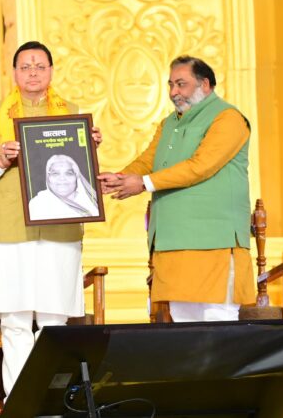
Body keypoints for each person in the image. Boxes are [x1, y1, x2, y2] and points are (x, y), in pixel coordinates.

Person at [0, 41, 101, 396]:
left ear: (51, 71)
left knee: (54, 322)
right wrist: (1, 160)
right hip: (13, 230)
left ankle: (49, 402)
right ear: (14, 73)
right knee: (15, 321)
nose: (33, 73)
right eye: (25, 67)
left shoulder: (72, 114)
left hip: (60, 231)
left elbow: (82, 176)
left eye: (40, 66)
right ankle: (19, 402)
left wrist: (90, 147)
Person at [100, 56, 254, 322]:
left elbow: (201, 166)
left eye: (181, 84)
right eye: (171, 84)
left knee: (218, 324)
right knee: (183, 327)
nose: (173, 92)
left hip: (213, 243)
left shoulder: (228, 118)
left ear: (204, 84)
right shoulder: (169, 123)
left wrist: (143, 183)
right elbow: (148, 161)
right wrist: (119, 177)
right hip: (173, 241)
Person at [28, 155, 99, 220]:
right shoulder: (38, 204)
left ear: (77, 177)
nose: (62, 178)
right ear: (48, 178)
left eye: (69, 173)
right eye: (55, 174)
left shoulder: (91, 200)